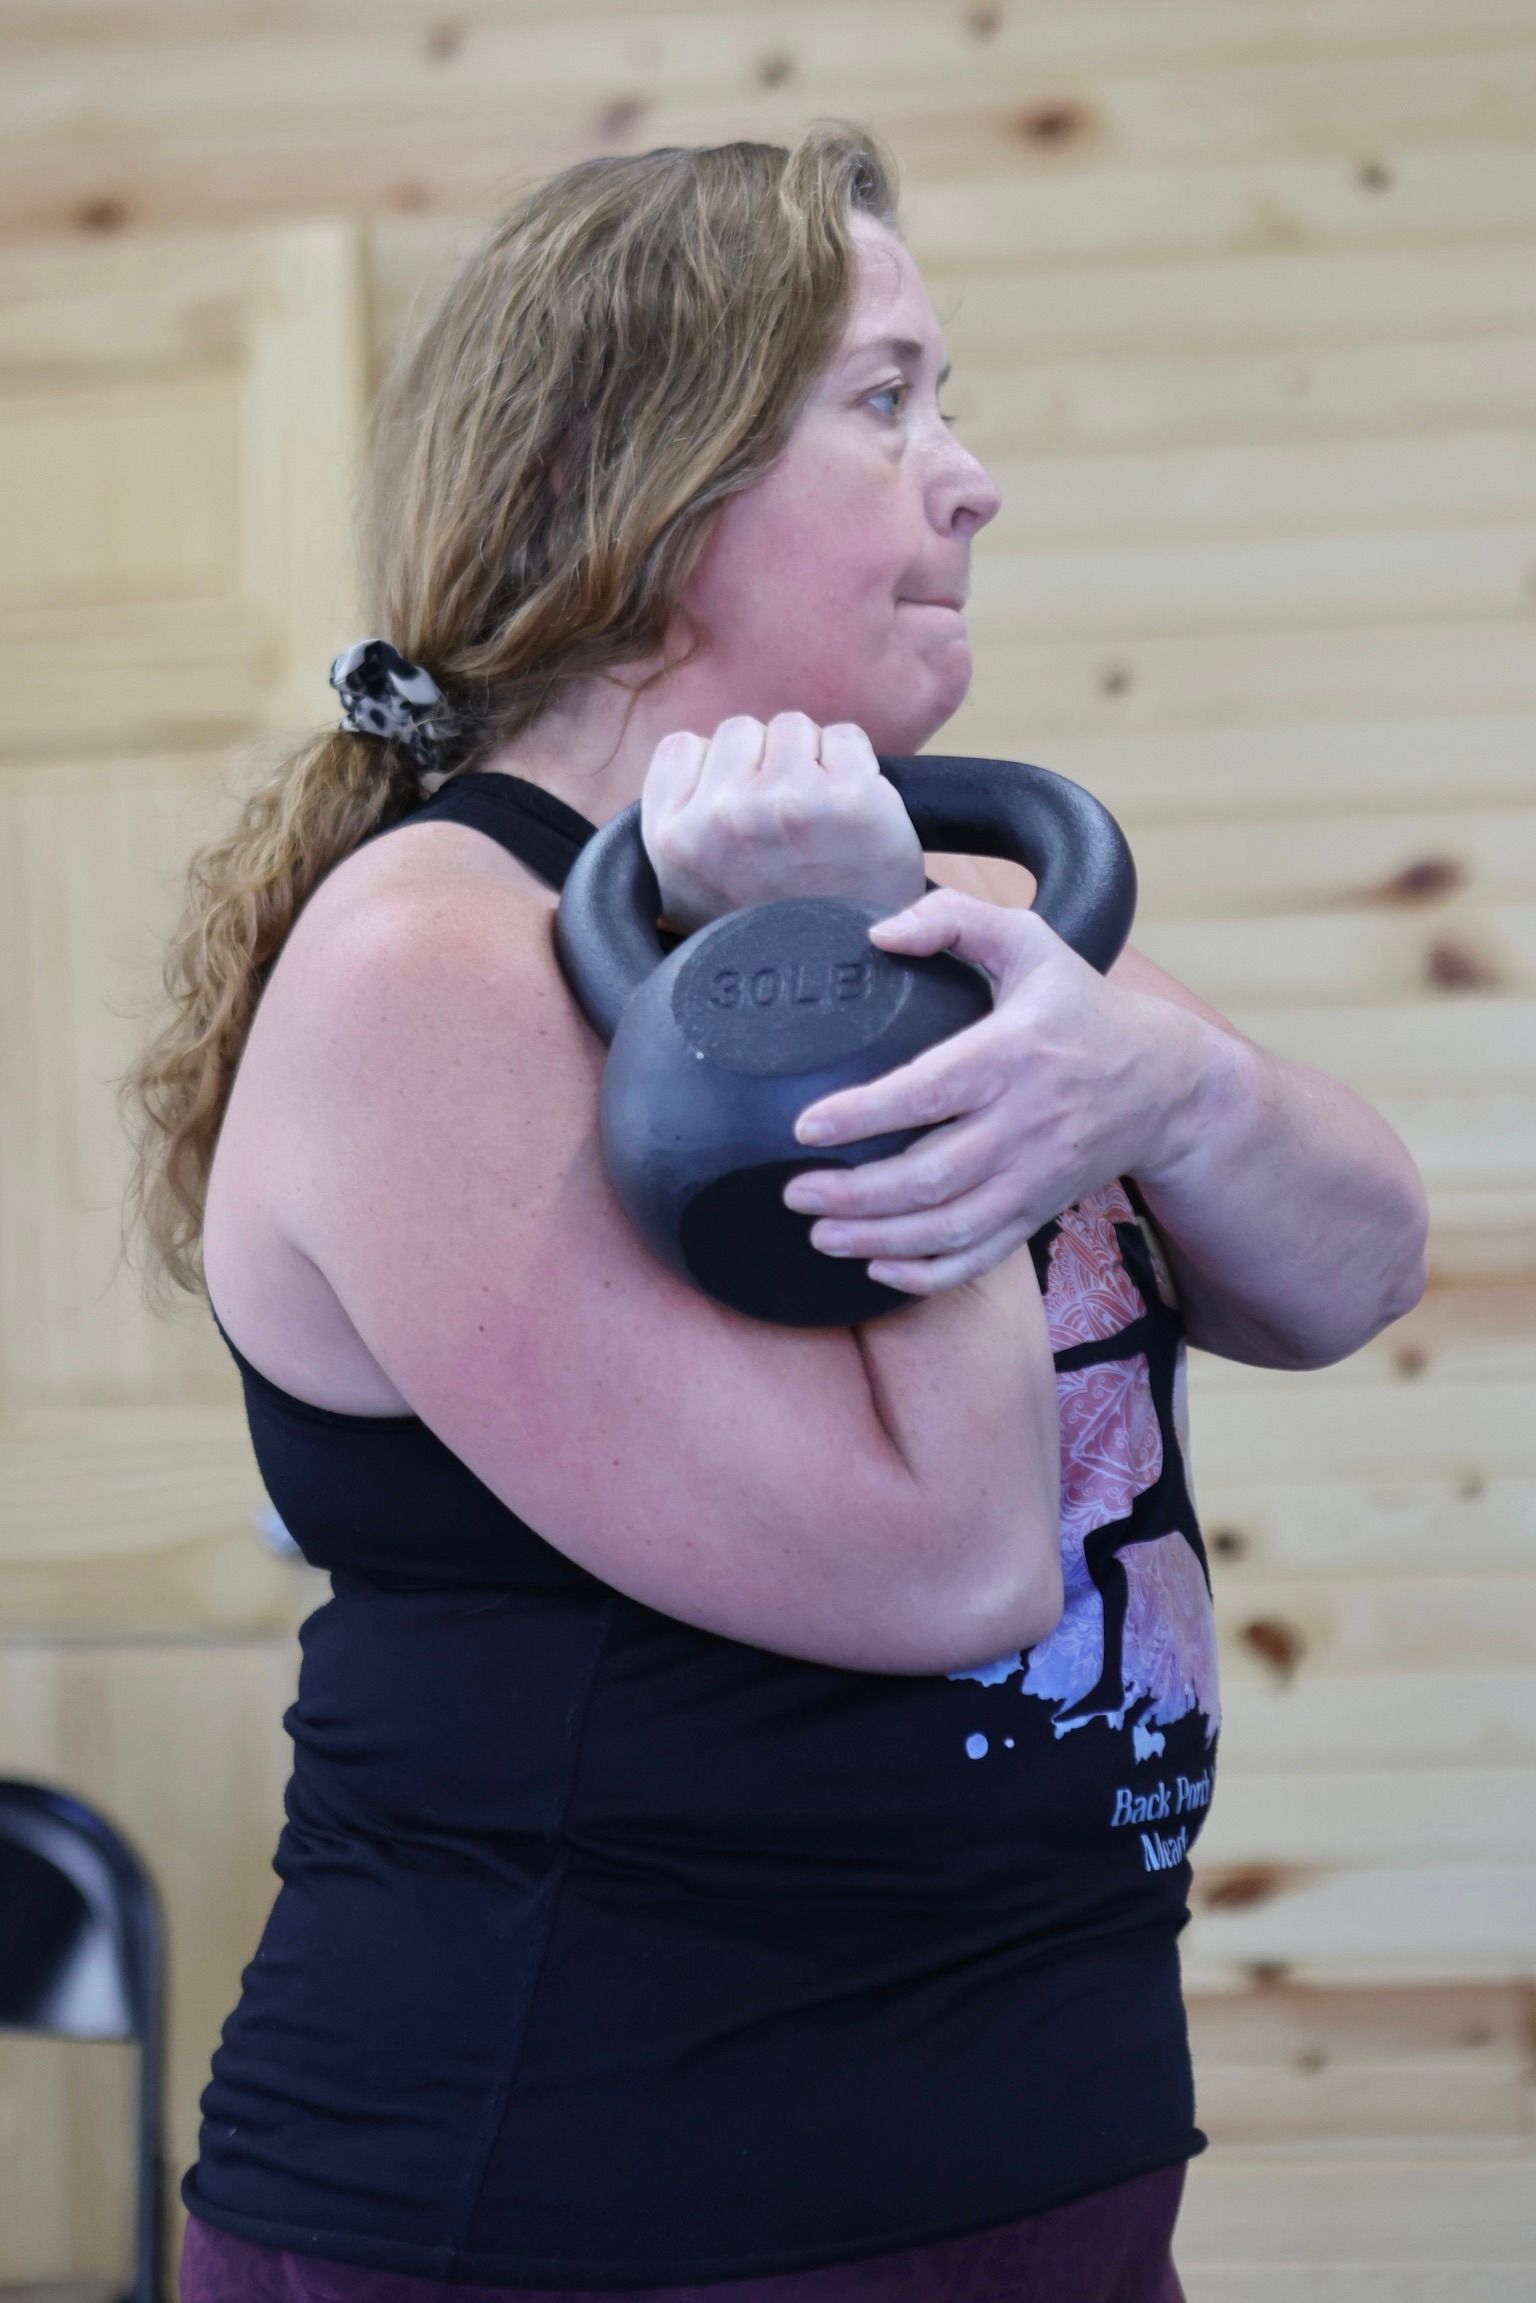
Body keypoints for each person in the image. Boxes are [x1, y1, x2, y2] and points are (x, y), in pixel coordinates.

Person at [119, 123, 1429, 2302]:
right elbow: (947, 1562)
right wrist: (851, 993)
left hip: (1035, 2162)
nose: (973, 473)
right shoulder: (430, 966)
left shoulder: (952, 902)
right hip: (580, 2218)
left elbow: (1356, 1260)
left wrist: (1170, 1081)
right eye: (887, 399)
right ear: (632, 489)